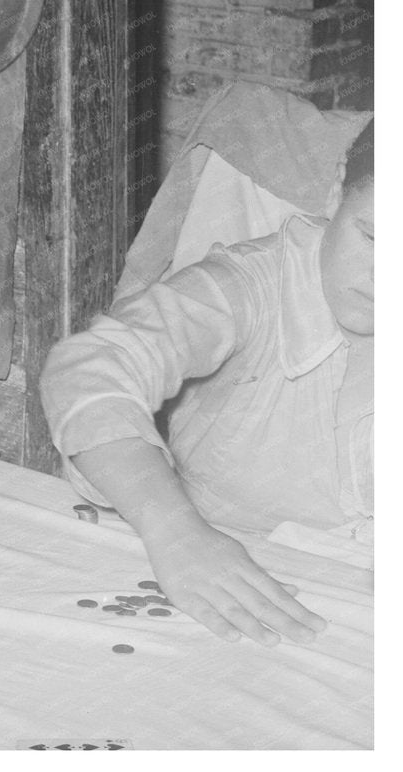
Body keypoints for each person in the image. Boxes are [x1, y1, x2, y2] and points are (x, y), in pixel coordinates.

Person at [39, 120, 373, 648]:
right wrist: (174, 530)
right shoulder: (254, 285)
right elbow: (90, 367)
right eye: (373, 236)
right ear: (336, 192)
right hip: (202, 581)